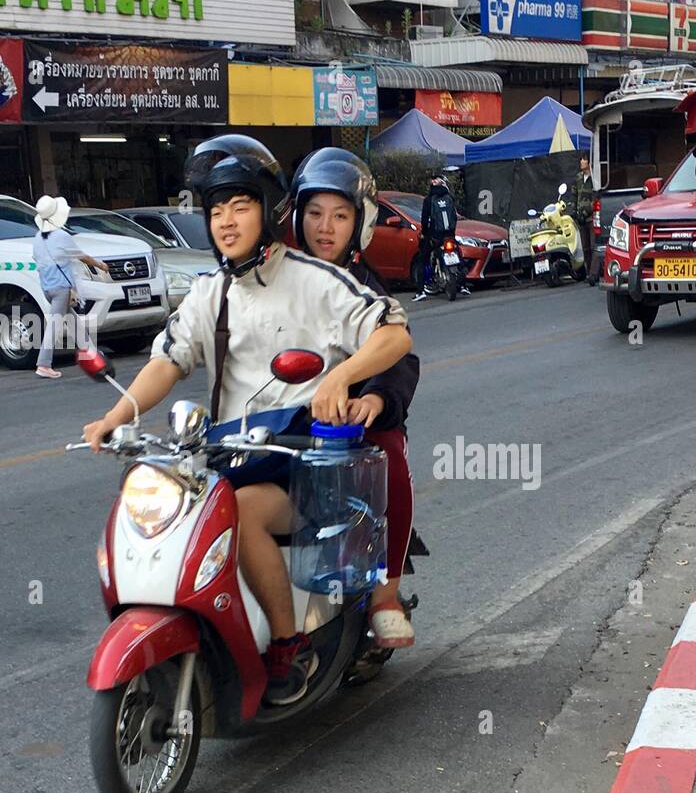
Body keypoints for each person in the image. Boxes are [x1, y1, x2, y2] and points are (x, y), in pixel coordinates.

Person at [81, 135, 413, 706]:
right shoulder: (209, 292)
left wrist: (338, 378)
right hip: (226, 457)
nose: (227, 222)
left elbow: (393, 334)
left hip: (298, 464)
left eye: (241, 207)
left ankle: (289, 645)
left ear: (265, 210)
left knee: (243, 512)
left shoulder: (315, 280)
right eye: (216, 211)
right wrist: (116, 415)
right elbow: (167, 361)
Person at [291, 147, 420, 648]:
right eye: (316, 214)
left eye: (340, 216)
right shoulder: (275, 282)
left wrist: (373, 401)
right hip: (282, 427)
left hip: (351, 430)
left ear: (359, 224)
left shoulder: (368, 291)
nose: (326, 228)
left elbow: (400, 357)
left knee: (390, 455)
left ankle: (386, 594)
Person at [31, 195, 109, 379]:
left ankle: (92, 355)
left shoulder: (37, 238)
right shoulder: (62, 236)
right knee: (55, 325)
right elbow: (82, 256)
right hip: (61, 288)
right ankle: (43, 364)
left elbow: (37, 261)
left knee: (74, 325)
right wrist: (100, 265)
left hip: (48, 288)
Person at [414, 175, 467, 301]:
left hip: (435, 236)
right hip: (449, 235)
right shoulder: (449, 198)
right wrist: (451, 233)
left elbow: (424, 219)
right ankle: (464, 286)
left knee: (421, 259)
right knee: (458, 256)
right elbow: (454, 216)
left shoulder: (429, 200)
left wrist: (425, 233)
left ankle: (420, 292)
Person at [571, 156, 595, 275]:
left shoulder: (595, 178)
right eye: (580, 159)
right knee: (585, 247)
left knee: (593, 245)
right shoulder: (578, 177)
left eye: (584, 159)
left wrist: (587, 212)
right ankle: (588, 270)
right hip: (581, 218)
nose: (581, 161)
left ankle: (594, 272)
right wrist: (575, 211)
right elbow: (574, 195)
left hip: (591, 217)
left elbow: (595, 198)